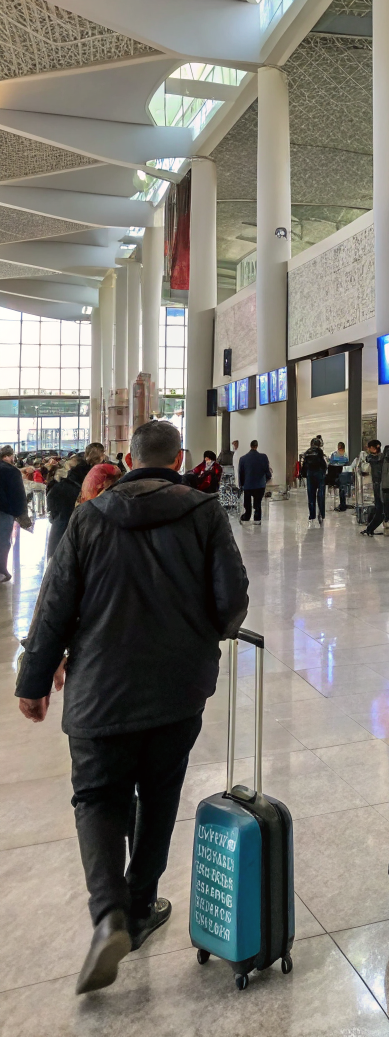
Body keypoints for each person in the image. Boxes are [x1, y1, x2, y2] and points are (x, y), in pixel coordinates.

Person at [14, 419, 249, 994]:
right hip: (177, 688)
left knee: (97, 796)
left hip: (101, 690)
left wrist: (34, 680)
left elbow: (55, 605)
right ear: (180, 459)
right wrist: (203, 635)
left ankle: (110, 915)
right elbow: (233, 598)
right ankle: (141, 905)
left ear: (126, 458)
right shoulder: (203, 512)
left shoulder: (91, 517)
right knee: (160, 792)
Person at [46, 452, 90, 558]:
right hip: (70, 530)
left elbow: (51, 506)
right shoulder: (79, 487)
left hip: (58, 528)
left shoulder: (57, 484)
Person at [362, 442, 389, 537]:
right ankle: (372, 528)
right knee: (383, 508)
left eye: (370, 448)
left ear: (374, 448)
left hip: (379, 486)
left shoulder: (373, 459)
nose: (368, 450)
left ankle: (370, 529)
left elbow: (367, 461)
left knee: (380, 509)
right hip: (388, 486)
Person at [0, 443, 26, 582]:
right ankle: (1, 570)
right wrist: (20, 512)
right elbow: (18, 494)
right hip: (4, 511)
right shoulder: (11, 471)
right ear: (8, 456)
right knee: (3, 541)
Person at [237, 439, 271, 523]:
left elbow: (241, 473)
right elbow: (267, 471)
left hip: (248, 485)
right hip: (260, 485)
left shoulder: (243, 459)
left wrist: (241, 485)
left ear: (250, 446)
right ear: (257, 446)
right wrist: (267, 479)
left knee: (247, 503)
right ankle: (257, 518)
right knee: (258, 503)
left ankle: (247, 516)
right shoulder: (263, 457)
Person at [302, 438, 328, 526]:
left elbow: (304, 465)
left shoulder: (307, 452)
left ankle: (311, 516)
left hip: (310, 475)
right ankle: (321, 514)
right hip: (319, 474)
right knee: (320, 495)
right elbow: (324, 465)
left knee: (311, 495)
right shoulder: (319, 452)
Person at [329, 441, 350, 512]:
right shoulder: (346, 456)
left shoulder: (334, 455)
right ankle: (342, 503)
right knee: (342, 488)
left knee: (341, 488)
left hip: (336, 476)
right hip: (342, 475)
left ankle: (342, 504)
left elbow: (331, 464)